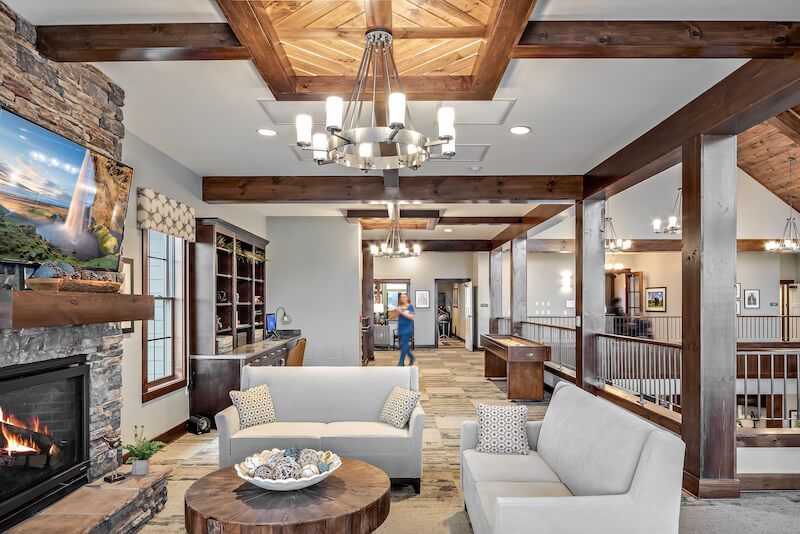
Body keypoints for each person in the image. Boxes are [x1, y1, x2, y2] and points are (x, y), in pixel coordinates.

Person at [396, 293, 416, 366]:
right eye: (401, 297)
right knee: (403, 345)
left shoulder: (410, 306)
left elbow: (410, 316)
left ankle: (401, 362)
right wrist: (400, 310)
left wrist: (401, 311)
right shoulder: (400, 306)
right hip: (401, 329)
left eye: (404, 297)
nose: (403, 298)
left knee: (404, 345)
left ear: (407, 298)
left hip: (407, 329)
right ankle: (411, 357)